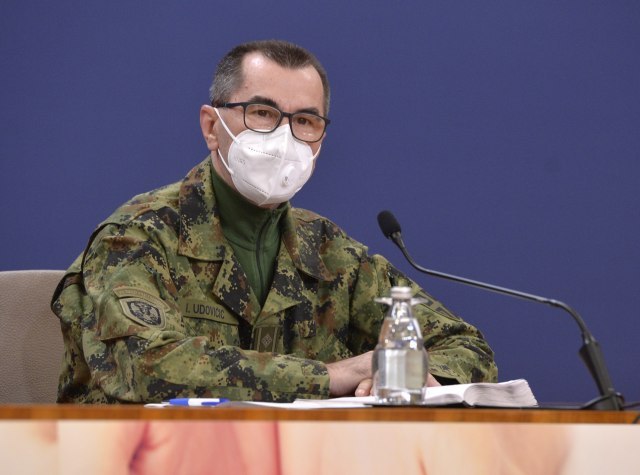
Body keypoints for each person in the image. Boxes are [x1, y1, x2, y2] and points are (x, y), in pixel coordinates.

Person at [52, 39, 497, 403]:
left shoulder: (330, 251)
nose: (284, 137)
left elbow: (467, 346)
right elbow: (147, 366)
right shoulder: (137, 236)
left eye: (305, 120)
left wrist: (405, 374)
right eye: (262, 113)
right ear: (211, 127)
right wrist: (329, 377)